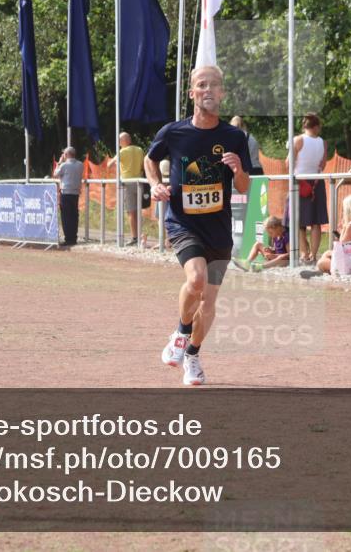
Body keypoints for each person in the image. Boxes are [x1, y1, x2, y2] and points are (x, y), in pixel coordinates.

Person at [145, 66, 250, 386]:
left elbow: (245, 187)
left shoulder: (234, 137)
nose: (207, 90)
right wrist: (155, 184)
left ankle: (192, 354)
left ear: (222, 94)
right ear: (191, 93)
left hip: (218, 229)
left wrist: (237, 170)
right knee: (197, 279)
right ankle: (180, 332)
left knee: (209, 300)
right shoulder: (173, 132)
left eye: (214, 85)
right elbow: (150, 160)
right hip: (183, 221)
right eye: (201, 85)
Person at [293, 113, 328, 264]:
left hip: (300, 182)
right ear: (316, 126)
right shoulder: (323, 143)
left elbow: (289, 163)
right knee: (316, 221)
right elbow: (323, 164)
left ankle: (303, 254)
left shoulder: (298, 140)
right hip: (316, 182)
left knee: (299, 221)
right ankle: (314, 255)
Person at [308, 195, 351, 276]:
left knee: (321, 262)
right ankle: (333, 272)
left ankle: (333, 274)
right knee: (327, 253)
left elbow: (340, 249)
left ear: (348, 211)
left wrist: (344, 228)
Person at [107, 132, 146, 246]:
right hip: (139, 182)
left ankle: (135, 237)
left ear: (122, 142)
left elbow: (109, 165)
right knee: (138, 211)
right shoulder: (139, 149)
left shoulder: (122, 152)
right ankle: (140, 235)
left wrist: (118, 167)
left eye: (119, 141)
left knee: (131, 212)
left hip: (128, 183)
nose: (119, 143)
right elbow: (143, 165)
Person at [53, 147, 83, 246]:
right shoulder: (80, 164)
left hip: (66, 193)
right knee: (74, 216)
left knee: (66, 217)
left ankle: (68, 239)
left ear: (66, 155)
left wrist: (60, 162)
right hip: (75, 193)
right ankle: (73, 238)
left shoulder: (64, 165)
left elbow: (55, 174)